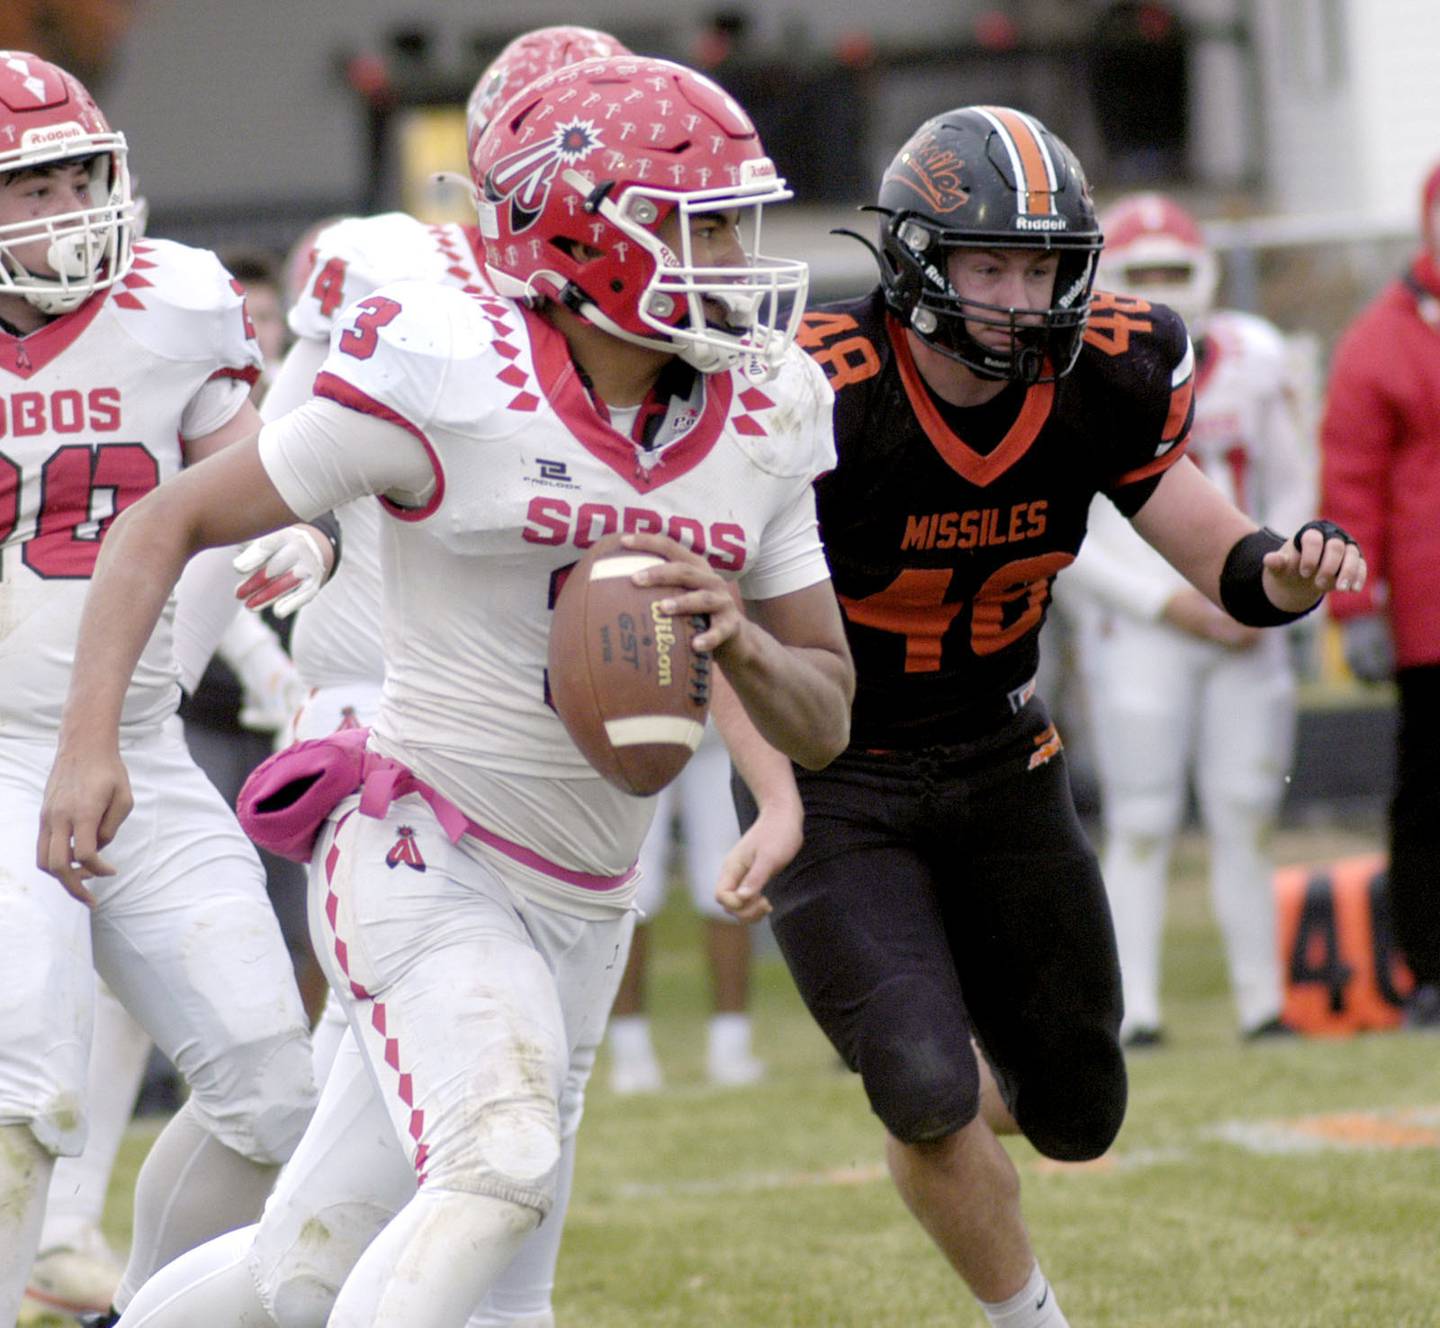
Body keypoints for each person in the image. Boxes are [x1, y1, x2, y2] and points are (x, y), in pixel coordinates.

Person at [40, 52, 853, 1328]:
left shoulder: (764, 408)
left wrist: (741, 642)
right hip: (425, 842)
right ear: (588, 231)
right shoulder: (450, 369)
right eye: (698, 223)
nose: (735, 253)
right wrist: (96, 741)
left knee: (306, 1267)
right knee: (500, 1160)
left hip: (590, 894)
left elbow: (828, 706)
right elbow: (168, 520)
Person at [716, 105, 1365, 1328]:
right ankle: (1016, 1287)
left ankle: (945, 1113)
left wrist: (1294, 572)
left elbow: (1224, 557)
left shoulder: (1103, 376)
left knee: (1079, 1108)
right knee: (920, 1081)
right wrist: (778, 787)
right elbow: (723, 615)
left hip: (1003, 754)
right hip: (840, 769)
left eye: (1041, 266)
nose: (1021, 297)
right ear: (917, 259)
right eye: (990, 265)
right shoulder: (818, 387)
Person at [0, 49, 318, 1328]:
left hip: (138, 745)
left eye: (80, 172)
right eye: (31, 185)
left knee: (272, 1092)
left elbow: (240, 471)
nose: (70, 205)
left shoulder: (181, 299)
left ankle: (147, 1314)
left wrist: (297, 524)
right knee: (25, 1091)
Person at [1063, 191, 1316, 1046]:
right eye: (1145, 273)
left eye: (1176, 269)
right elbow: (1066, 533)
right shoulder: (1078, 366)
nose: (1165, 287)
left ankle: (1261, 1003)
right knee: (1140, 816)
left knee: (1245, 811)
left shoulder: (1255, 357)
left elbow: (1290, 482)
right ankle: (1137, 1011)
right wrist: (1169, 600)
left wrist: (1265, 581)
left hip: (1244, 613)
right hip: (1141, 625)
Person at [1320, 158, 1440, 1029]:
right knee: (1430, 793)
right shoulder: (1383, 338)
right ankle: (1429, 967)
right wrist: (1357, 606)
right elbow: (1351, 481)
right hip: (1431, 616)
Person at [605, 722, 764, 1095]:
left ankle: (731, 1046)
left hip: (714, 718)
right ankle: (630, 1052)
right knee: (631, 886)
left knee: (727, 879)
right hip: (638, 716)